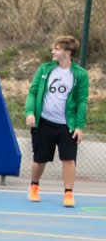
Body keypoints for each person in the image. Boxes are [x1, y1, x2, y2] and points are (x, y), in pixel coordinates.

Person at [24, 35, 89, 207]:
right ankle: (34, 186)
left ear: (67, 52)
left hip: (67, 125)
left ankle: (68, 194)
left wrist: (79, 126)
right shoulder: (45, 69)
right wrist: (30, 112)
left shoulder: (80, 75)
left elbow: (82, 101)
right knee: (40, 159)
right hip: (44, 122)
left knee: (69, 159)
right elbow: (33, 92)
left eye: (57, 49)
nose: (53, 51)